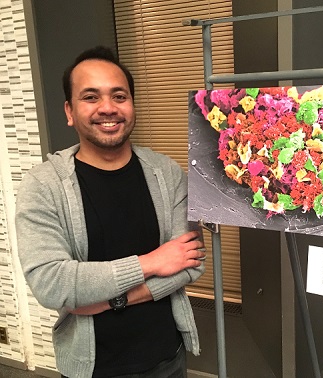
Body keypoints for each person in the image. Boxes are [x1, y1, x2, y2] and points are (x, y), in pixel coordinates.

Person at [15, 46, 206, 378]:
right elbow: (53, 284)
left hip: (168, 358)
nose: (108, 108)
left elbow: (190, 261)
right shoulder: (43, 186)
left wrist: (110, 300)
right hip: (93, 368)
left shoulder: (168, 173)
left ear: (132, 105)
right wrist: (151, 262)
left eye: (119, 96)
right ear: (69, 111)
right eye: (91, 97)